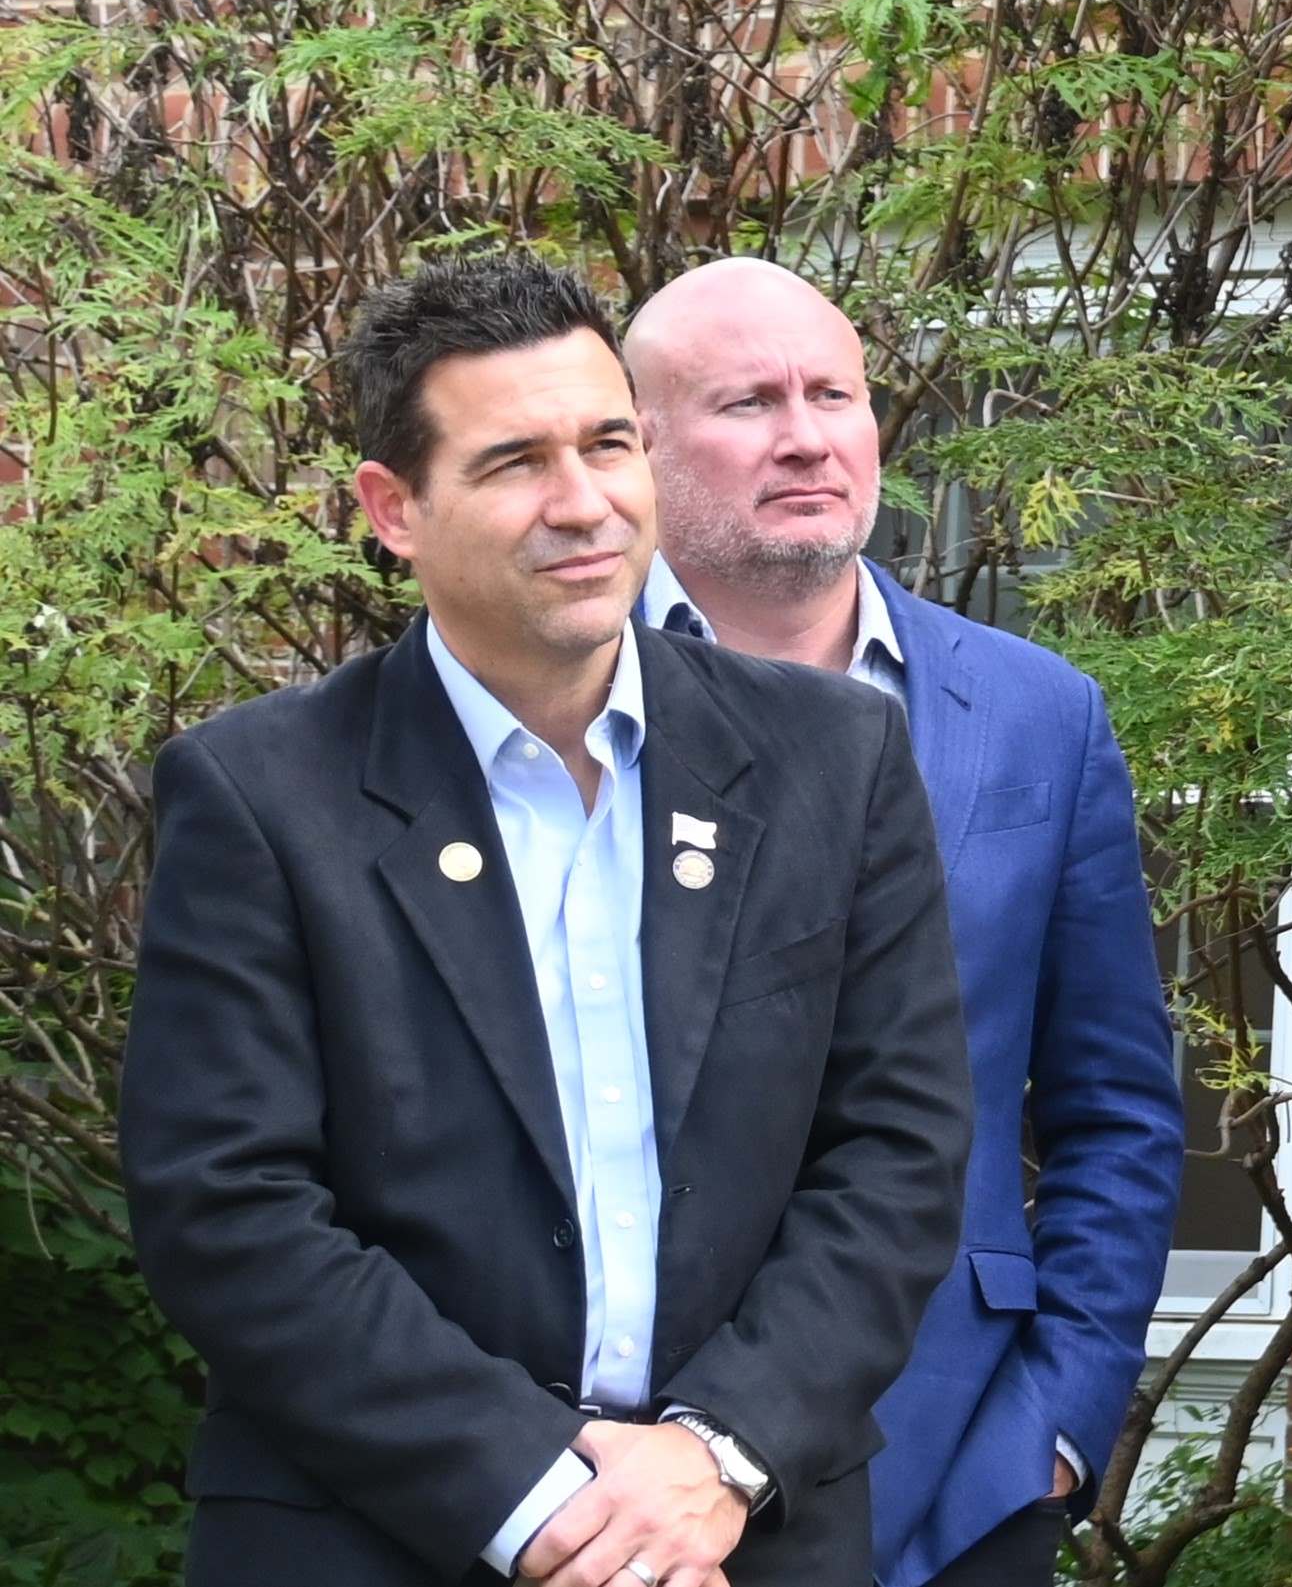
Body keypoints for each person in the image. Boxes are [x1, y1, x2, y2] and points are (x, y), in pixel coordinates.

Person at [120, 254, 970, 1587]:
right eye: (515, 461)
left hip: (740, 1536)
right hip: (380, 1536)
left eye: (608, 443)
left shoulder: (833, 757)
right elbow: (227, 1208)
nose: (583, 503)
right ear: (393, 509)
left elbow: (899, 1150)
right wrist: (542, 1501)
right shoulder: (262, 795)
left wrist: (716, 1454)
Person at [625, 257, 1183, 1587]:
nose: (807, 435)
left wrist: (1056, 1421)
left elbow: (1115, 1106)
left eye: (835, 394)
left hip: (954, 1460)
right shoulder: (561, 706)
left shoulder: (1039, 715)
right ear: (637, 444)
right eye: (749, 401)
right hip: (628, 1466)